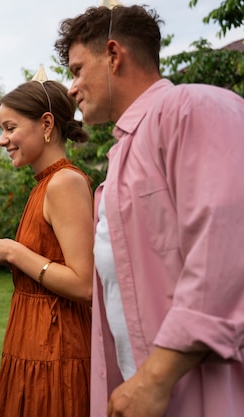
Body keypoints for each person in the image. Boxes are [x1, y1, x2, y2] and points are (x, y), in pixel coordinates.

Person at [54, 4, 244, 417]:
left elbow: (226, 243)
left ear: (114, 54)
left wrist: (157, 376)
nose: (71, 87)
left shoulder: (192, 108)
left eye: (76, 69)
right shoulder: (124, 152)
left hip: (201, 390)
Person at [0, 67, 94, 417]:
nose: (2, 140)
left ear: (45, 125)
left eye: (10, 128)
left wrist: (12, 251)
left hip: (56, 345)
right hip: (32, 336)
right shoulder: (45, 183)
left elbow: (84, 283)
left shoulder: (64, 183)